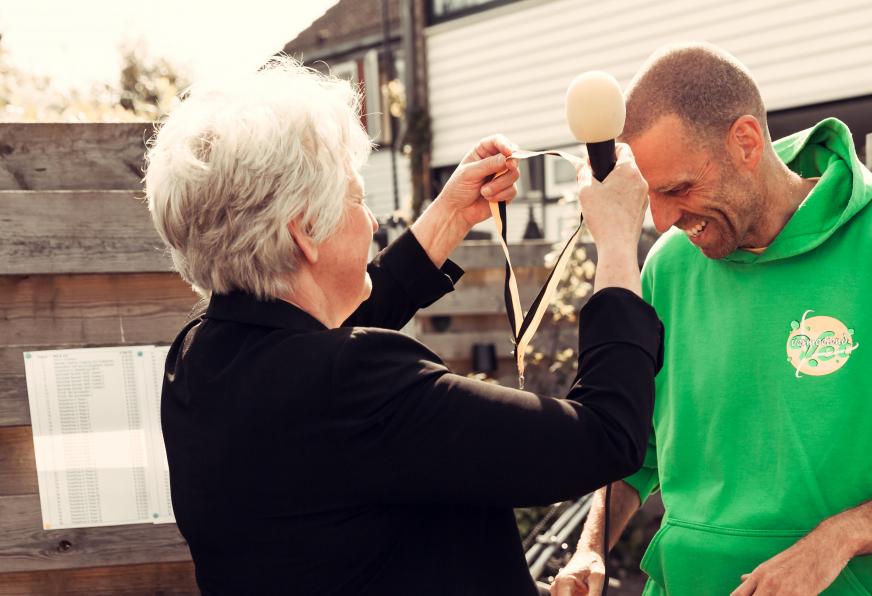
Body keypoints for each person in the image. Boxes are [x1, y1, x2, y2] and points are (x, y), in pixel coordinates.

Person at [144, 57, 664, 596]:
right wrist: (619, 243)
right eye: (357, 199)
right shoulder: (355, 380)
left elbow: (313, 362)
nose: (371, 221)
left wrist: (450, 216)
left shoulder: (197, 360)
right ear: (305, 232)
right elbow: (603, 435)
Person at [552, 43, 872, 596]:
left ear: (745, 142)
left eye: (679, 189)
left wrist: (840, 539)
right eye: (652, 198)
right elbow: (633, 448)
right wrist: (589, 548)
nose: (663, 218)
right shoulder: (668, 267)